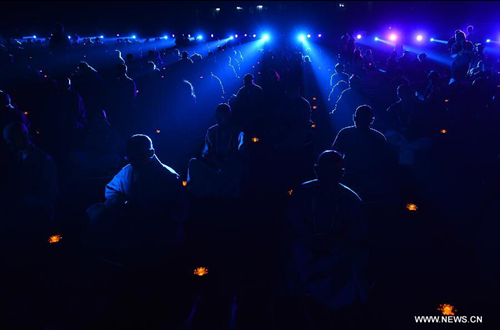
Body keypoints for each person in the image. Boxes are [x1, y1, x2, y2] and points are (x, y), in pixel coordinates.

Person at [286, 150, 368, 325]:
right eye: (324, 171)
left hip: (337, 252)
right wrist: (313, 241)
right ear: (316, 170)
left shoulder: (351, 199)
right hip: (306, 248)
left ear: (342, 173)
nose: (329, 176)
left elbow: (356, 231)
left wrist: (332, 243)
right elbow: (294, 222)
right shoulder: (303, 192)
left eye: (334, 172)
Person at [332, 105, 390, 201]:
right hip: (357, 176)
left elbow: (334, 156)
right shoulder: (378, 137)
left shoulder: (345, 133)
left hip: (365, 177)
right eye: (361, 118)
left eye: (364, 118)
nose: (362, 121)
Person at [2, 122, 58, 220]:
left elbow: (49, 193)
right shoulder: (19, 156)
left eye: (10, 139)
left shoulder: (43, 160)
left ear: (21, 137)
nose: (8, 143)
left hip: (39, 216)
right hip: (26, 213)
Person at [187, 104, 244, 197]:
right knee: (193, 163)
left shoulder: (238, 132)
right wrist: (215, 161)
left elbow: (241, 152)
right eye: (220, 116)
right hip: (214, 167)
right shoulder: (212, 131)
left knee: (239, 166)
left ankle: (228, 194)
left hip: (230, 168)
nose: (223, 119)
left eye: (225, 116)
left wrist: (229, 162)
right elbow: (206, 152)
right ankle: (206, 191)